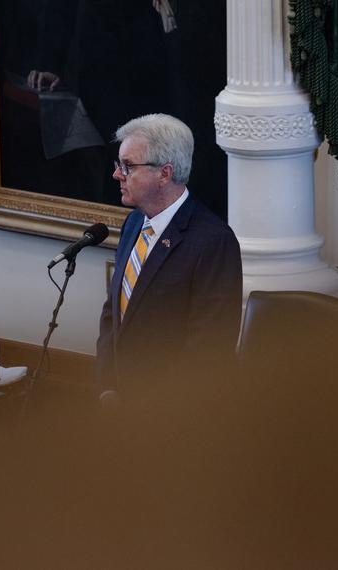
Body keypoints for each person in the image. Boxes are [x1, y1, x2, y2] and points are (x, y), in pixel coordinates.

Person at [96, 114, 243, 402]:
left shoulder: (213, 242)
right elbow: (112, 314)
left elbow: (208, 347)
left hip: (171, 414)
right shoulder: (134, 223)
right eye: (119, 165)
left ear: (164, 174)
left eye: (128, 166)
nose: (117, 175)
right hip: (118, 403)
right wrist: (106, 386)